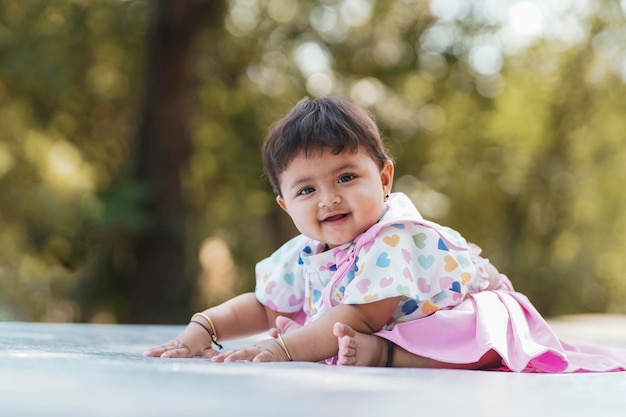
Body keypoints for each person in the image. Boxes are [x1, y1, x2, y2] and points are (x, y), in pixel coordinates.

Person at [144, 97, 626, 372]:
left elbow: (363, 314)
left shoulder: (394, 238)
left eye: (346, 177)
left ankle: (389, 356)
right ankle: (383, 352)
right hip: (378, 325)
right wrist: (202, 329)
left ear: (385, 179)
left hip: (464, 310)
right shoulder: (302, 252)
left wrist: (282, 349)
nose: (329, 198)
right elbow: (262, 303)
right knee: (331, 330)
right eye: (307, 189)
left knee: (464, 332)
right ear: (285, 205)